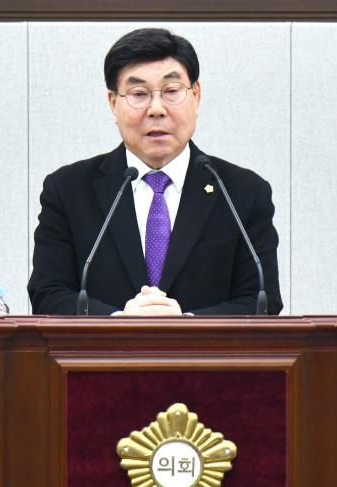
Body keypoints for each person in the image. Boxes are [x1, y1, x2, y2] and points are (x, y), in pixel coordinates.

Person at [28, 28, 282, 316]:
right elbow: (47, 294)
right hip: (103, 347)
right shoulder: (69, 190)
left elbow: (262, 300)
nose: (156, 109)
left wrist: (186, 324)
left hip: (206, 348)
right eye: (139, 94)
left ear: (196, 95)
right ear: (113, 103)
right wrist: (119, 322)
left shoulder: (243, 192)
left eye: (172, 91)